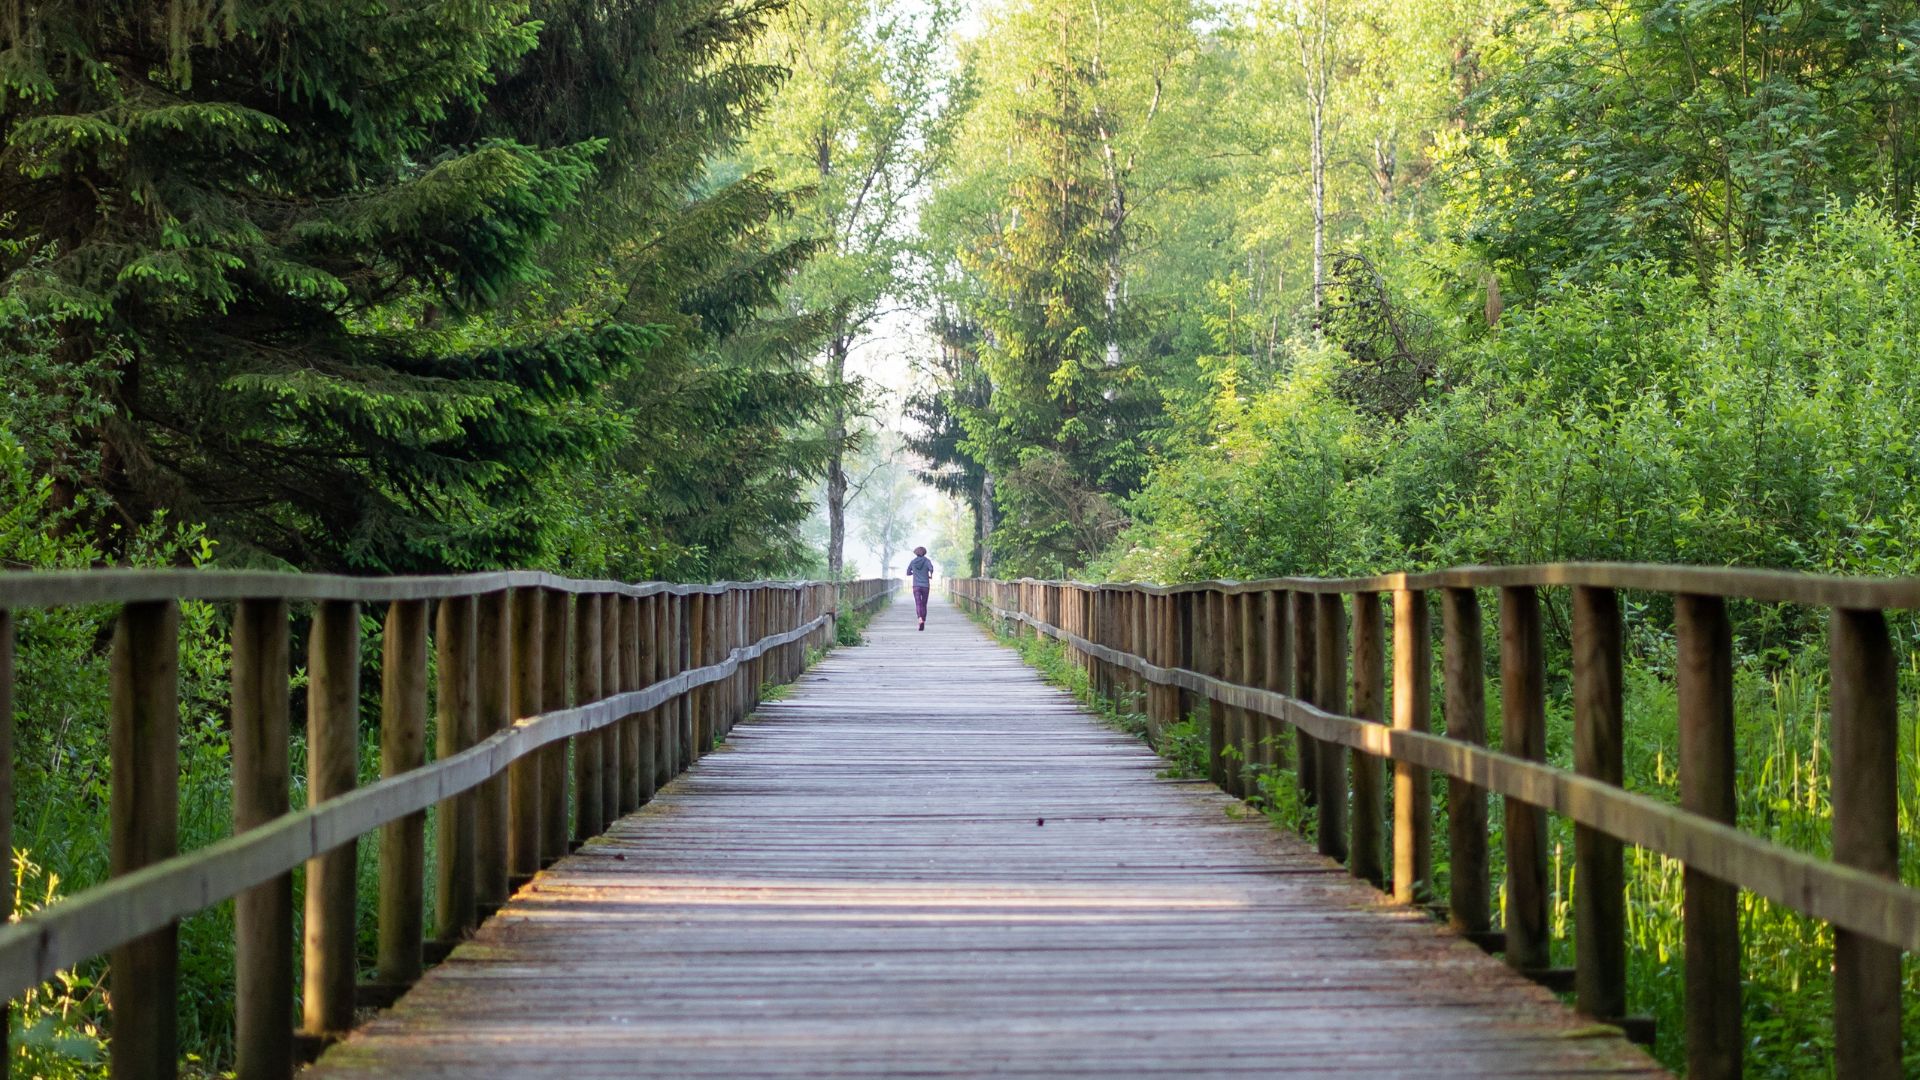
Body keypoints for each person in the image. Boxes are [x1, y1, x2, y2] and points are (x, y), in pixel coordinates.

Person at [905, 546, 934, 630]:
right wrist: (929, 574)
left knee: (918, 603)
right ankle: (923, 620)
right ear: (924, 552)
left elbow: (907, 572)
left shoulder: (913, 562)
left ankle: (920, 619)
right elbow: (931, 569)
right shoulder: (927, 561)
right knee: (924, 604)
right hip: (925, 585)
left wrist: (914, 573)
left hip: (916, 586)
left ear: (916, 553)